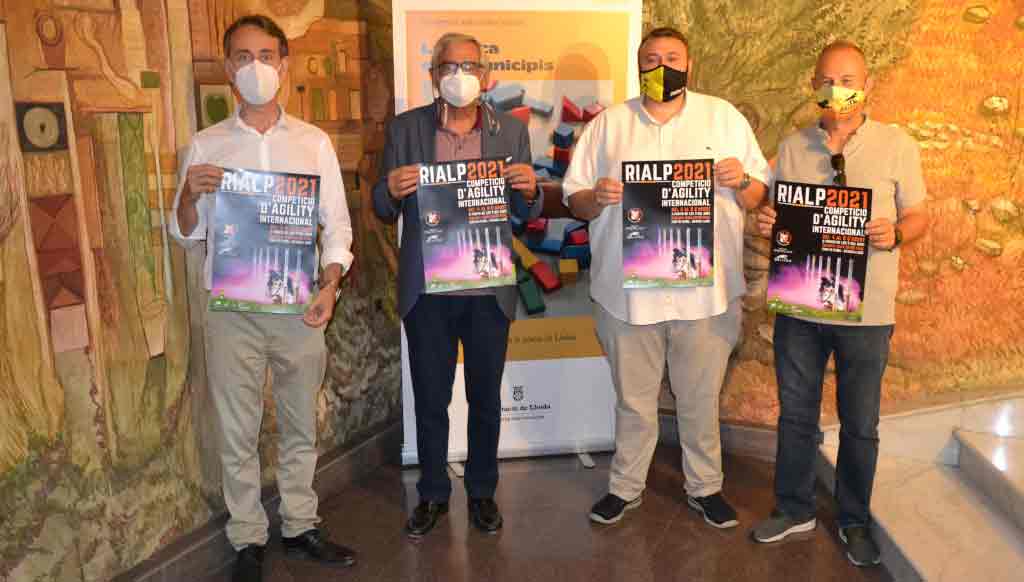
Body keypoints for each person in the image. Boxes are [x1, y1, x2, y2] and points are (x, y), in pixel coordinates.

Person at [169, 14, 356, 582]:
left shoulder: (313, 142)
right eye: (244, 57)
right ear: (229, 69)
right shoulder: (207, 144)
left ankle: (300, 525)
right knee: (237, 430)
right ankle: (247, 537)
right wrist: (187, 197)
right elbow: (186, 233)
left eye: (266, 55)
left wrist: (330, 286)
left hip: (300, 308)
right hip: (233, 313)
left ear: (284, 65)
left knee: (301, 425)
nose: (256, 67)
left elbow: (337, 227)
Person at [563, 27, 770, 528]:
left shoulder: (723, 117)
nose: (662, 66)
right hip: (627, 296)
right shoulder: (609, 125)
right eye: (651, 58)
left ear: (689, 65)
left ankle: (706, 487)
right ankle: (625, 487)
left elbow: (758, 194)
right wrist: (597, 197)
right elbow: (574, 199)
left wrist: (741, 179)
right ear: (639, 66)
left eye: (672, 57)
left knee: (700, 401)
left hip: (706, 296)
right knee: (634, 402)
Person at [750, 41, 928, 568]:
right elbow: (778, 213)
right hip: (801, 308)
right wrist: (768, 221)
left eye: (848, 80)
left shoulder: (897, 144)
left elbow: (919, 215)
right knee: (795, 414)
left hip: (867, 313)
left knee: (861, 423)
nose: (837, 90)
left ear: (867, 85)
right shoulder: (792, 147)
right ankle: (793, 508)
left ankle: (853, 519)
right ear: (814, 86)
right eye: (827, 80)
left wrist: (896, 232)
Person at [372, 33, 542, 538]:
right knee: (430, 399)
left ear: (485, 77)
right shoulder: (405, 129)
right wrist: (389, 189)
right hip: (428, 293)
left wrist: (531, 190)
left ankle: (483, 491)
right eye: (448, 66)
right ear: (433, 76)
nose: (459, 75)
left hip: (488, 290)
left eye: (469, 66)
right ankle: (432, 494)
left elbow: (526, 211)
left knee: (485, 398)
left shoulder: (511, 132)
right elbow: (382, 207)